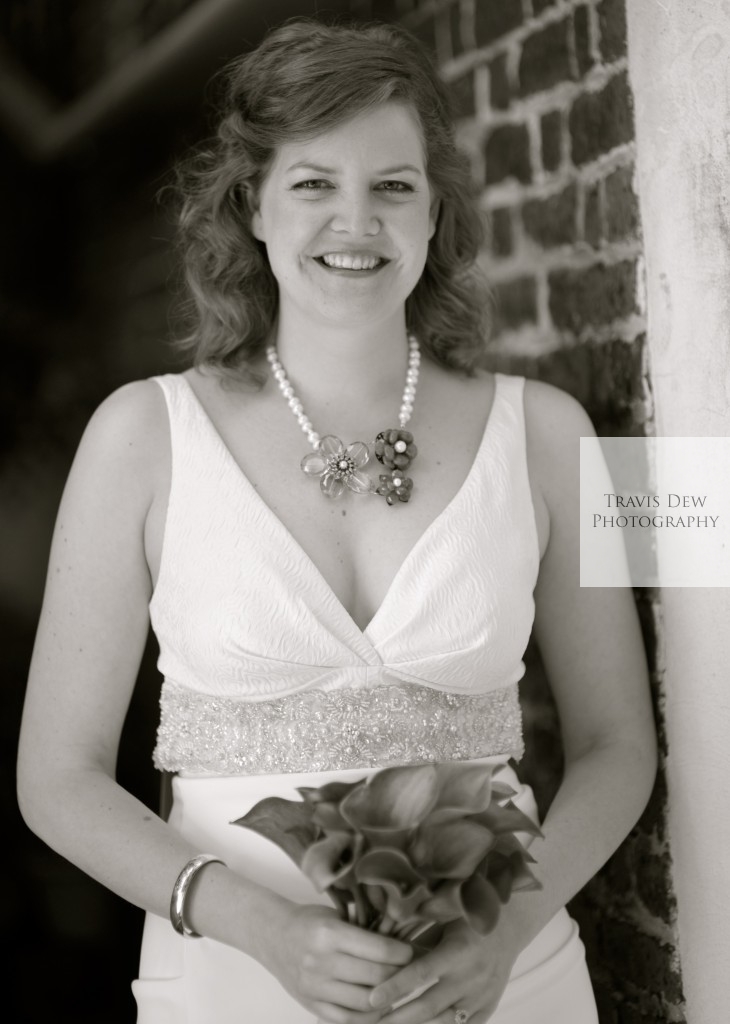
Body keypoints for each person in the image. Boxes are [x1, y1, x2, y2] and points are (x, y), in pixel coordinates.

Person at [17, 18, 657, 1024]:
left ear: (434, 209)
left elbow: (619, 743)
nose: (355, 221)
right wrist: (259, 926)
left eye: (392, 186)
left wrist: (504, 934)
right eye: (314, 183)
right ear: (252, 206)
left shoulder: (546, 434)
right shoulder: (143, 435)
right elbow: (57, 778)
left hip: (503, 983)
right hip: (229, 982)